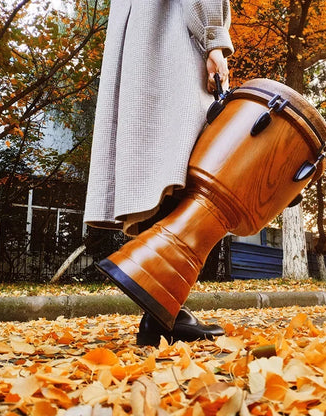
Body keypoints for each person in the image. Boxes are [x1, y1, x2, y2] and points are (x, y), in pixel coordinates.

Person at [84, 0, 234, 345]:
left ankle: (162, 311)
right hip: (170, 37)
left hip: (136, 36)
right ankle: (162, 311)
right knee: (187, 161)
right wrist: (214, 41)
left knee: (156, 161)